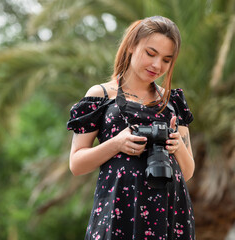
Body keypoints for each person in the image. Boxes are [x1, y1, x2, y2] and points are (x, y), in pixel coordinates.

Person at [67, 16, 195, 240]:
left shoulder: (173, 102)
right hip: (119, 210)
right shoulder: (101, 96)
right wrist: (117, 143)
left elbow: (189, 170)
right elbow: (76, 164)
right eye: (151, 53)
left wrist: (177, 147)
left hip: (169, 213)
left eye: (166, 59)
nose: (157, 66)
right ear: (131, 46)